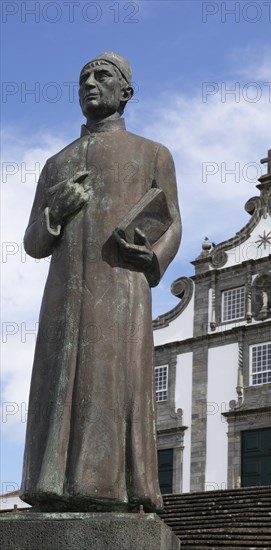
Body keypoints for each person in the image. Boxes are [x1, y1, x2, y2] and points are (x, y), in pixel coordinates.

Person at [20, 52, 181, 513]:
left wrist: (152, 256)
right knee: (57, 384)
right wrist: (55, 214)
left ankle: (116, 488)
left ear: (125, 91)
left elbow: (173, 223)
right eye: (83, 77)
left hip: (121, 288)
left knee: (112, 381)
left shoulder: (152, 153)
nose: (90, 82)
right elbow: (33, 242)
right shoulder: (56, 164)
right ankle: (51, 483)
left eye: (102, 75)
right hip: (63, 294)